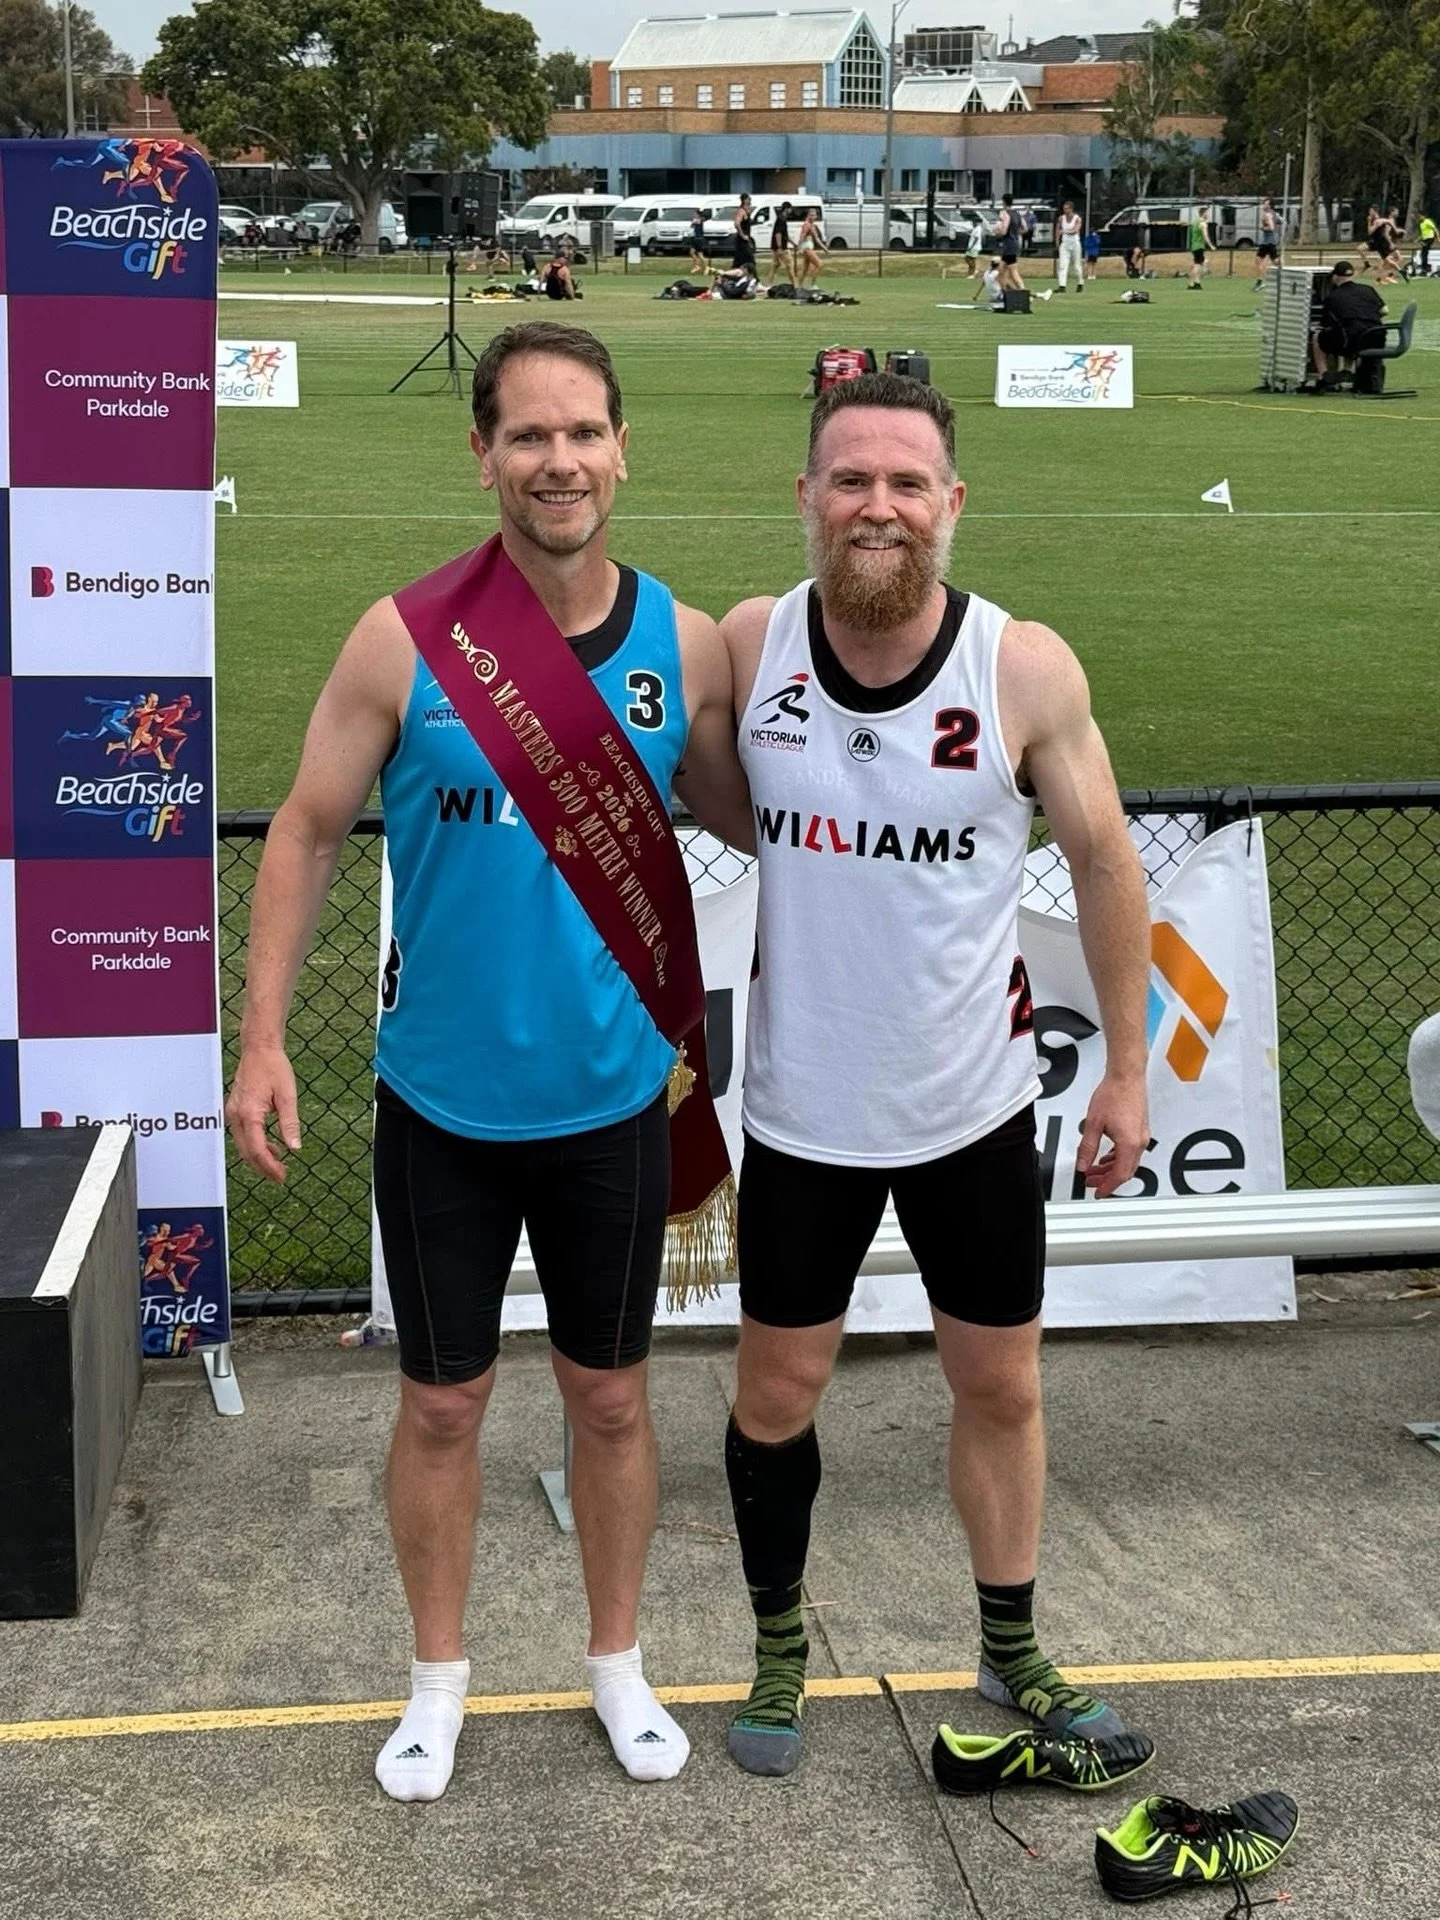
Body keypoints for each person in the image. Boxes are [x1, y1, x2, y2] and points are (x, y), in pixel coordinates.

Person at [226, 320, 752, 1803]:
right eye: (528, 435)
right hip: (442, 1102)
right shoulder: (400, 636)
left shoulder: (686, 641)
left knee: (610, 1400)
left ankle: (617, 1668)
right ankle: (437, 1683)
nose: (559, 460)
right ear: (483, 455)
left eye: (583, 431)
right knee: (444, 1405)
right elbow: (310, 832)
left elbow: (746, 809)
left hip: (608, 1102)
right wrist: (261, 1039)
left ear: (622, 445)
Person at [717, 372, 1151, 1777]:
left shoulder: (1022, 667)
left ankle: (1011, 1642)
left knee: (1003, 1388)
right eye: (851, 480)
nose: (879, 507)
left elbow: (1103, 864)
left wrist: (1127, 1071)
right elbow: (646, 748)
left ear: (953, 504)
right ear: (806, 499)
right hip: (802, 1115)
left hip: (969, 1111)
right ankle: (780, 1650)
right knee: (776, 1397)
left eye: (909, 483)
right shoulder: (750, 645)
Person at [1310, 259, 1386, 384]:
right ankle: (1347, 369)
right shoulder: (1368, 290)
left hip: (1351, 341)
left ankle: (1324, 375)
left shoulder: (1333, 298)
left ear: (1335, 277)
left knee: (1318, 337)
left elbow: (1325, 324)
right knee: (1352, 331)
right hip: (1377, 340)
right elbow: (1385, 311)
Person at [995, 193, 1024, 294]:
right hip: (1014, 244)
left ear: (1003, 202)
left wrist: (997, 231)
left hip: (1009, 246)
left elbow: (1004, 231)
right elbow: (1025, 228)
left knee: (1013, 273)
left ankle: (1024, 293)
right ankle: (1006, 293)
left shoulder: (1005, 214)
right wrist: (1015, 233)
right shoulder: (1017, 214)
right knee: (1000, 273)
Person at [1054, 202, 1083, 293]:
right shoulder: (1061, 218)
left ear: (1071, 209)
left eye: (1067, 208)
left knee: (1076, 266)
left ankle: (1080, 282)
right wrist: (1057, 242)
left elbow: (1075, 230)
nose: (1065, 210)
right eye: (1064, 208)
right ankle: (1062, 285)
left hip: (1075, 243)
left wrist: (1064, 231)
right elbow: (1057, 230)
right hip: (1065, 243)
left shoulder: (1077, 218)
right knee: (1063, 265)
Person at [795, 206, 826, 286]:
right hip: (807, 248)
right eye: (811, 215)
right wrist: (799, 247)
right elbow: (802, 236)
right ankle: (812, 285)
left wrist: (824, 248)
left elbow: (816, 238)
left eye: (814, 215)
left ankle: (799, 286)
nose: (813, 217)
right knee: (819, 264)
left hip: (809, 247)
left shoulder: (813, 225)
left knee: (804, 269)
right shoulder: (807, 224)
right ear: (808, 215)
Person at [1253, 196, 1280, 291]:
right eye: (1264, 203)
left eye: (1266, 203)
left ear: (1270, 206)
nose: (1264, 205)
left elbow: (1272, 228)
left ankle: (1260, 281)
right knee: (1273, 261)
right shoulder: (1273, 214)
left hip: (1268, 242)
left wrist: (1264, 228)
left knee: (1273, 262)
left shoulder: (1268, 215)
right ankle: (1260, 281)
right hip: (1268, 242)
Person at [1186, 202, 1215, 288]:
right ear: (1204, 213)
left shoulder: (1195, 222)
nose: (1208, 214)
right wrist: (1211, 245)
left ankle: (1194, 283)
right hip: (1199, 246)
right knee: (1198, 265)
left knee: (1197, 264)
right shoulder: (1203, 223)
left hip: (1194, 246)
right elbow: (1205, 236)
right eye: (1207, 213)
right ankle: (1193, 283)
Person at [768, 200, 795, 287]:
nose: (791, 211)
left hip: (777, 247)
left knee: (775, 265)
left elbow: (785, 235)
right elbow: (778, 234)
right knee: (790, 264)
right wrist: (779, 247)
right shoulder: (781, 219)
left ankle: (769, 284)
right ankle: (794, 284)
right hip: (780, 248)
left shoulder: (781, 219)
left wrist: (793, 243)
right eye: (790, 209)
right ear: (786, 209)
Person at [732, 194, 757, 275]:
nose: (750, 201)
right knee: (750, 261)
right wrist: (742, 235)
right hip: (741, 241)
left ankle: (735, 278)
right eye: (749, 199)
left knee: (739, 262)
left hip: (746, 239)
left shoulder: (747, 211)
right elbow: (737, 223)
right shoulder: (741, 211)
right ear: (744, 200)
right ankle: (754, 280)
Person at [689, 208, 709, 274]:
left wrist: (695, 220)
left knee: (700, 255)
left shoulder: (699, 220)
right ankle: (696, 266)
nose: (693, 214)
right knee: (692, 252)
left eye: (695, 213)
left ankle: (706, 268)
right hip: (695, 238)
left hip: (699, 239)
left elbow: (693, 224)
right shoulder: (696, 220)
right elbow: (691, 226)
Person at [1418, 210, 1437, 276]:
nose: (1419, 217)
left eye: (1420, 216)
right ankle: (1426, 267)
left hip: (1430, 238)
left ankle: (1425, 269)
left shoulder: (1427, 221)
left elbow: (1435, 229)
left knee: (1424, 254)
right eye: (1419, 216)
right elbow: (1423, 234)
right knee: (1423, 254)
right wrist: (1417, 239)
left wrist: (1438, 238)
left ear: (1424, 216)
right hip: (1425, 239)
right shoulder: (1421, 224)